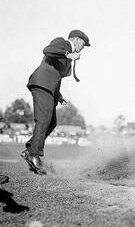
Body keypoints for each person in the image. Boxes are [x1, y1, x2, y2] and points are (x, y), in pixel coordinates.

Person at [21, 30, 90, 174]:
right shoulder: (62, 43)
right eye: (84, 43)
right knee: (44, 118)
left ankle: (30, 149)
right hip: (42, 84)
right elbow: (47, 50)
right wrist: (68, 54)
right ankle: (34, 154)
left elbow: (56, 76)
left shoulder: (68, 58)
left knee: (52, 122)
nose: (84, 47)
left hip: (50, 88)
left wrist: (59, 96)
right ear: (77, 39)